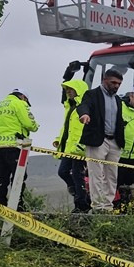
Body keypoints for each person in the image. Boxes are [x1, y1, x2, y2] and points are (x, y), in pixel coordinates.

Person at [76, 69, 126, 213]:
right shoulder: (92, 94)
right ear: (104, 80)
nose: (116, 86)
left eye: (119, 84)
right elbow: (83, 105)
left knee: (111, 175)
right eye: (113, 83)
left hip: (114, 141)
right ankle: (98, 206)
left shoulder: (118, 99)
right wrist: (84, 114)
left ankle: (108, 205)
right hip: (98, 140)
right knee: (96, 174)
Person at [0, 89, 38, 209]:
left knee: (1, 177)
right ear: (23, 97)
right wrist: (35, 126)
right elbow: (30, 124)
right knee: (19, 176)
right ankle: (17, 204)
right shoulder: (20, 104)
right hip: (15, 145)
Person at [53, 79, 90, 213]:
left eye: (70, 89)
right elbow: (66, 127)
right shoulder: (69, 106)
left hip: (80, 148)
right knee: (62, 172)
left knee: (77, 175)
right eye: (66, 89)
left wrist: (83, 144)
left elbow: (87, 128)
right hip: (69, 147)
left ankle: (81, 205)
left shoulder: (86, 106)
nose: (68, 91)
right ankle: (80, 194)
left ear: (78, 90)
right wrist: (59, 139)